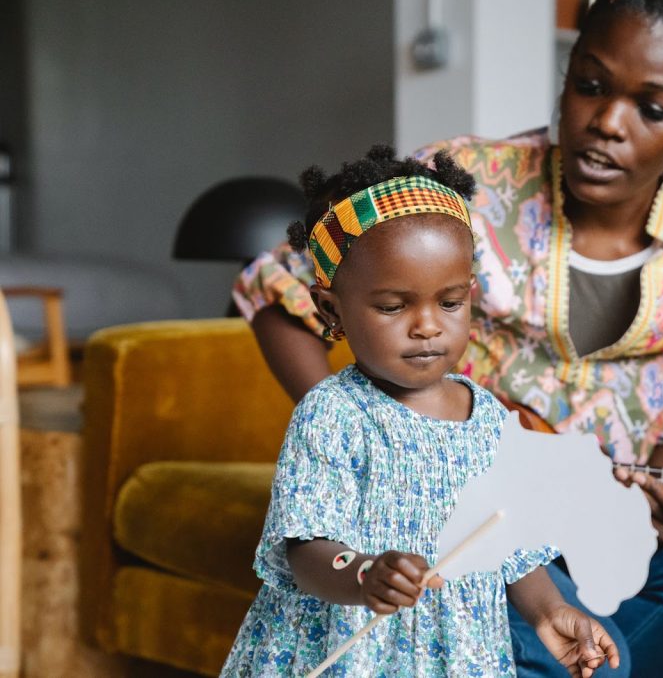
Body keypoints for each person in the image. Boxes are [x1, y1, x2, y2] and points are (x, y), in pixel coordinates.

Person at [232, 0, 663, 674]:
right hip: (463, 518)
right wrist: (371, 425)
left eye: (652, 108)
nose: (606, 124)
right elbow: (275, 289)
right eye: (589, 86)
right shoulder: (460, 186)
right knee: (601, 659)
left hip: (598, 519)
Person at [221, 146, 618, 677]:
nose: (427, 326)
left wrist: (551, 611)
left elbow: (511, 539)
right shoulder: (333, 415)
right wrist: (363, 574)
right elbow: (305, 549)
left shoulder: (491, 420)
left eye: (449, 303)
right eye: (393, 306)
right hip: (349, 653)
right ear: (330, 310)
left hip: (459, 656)